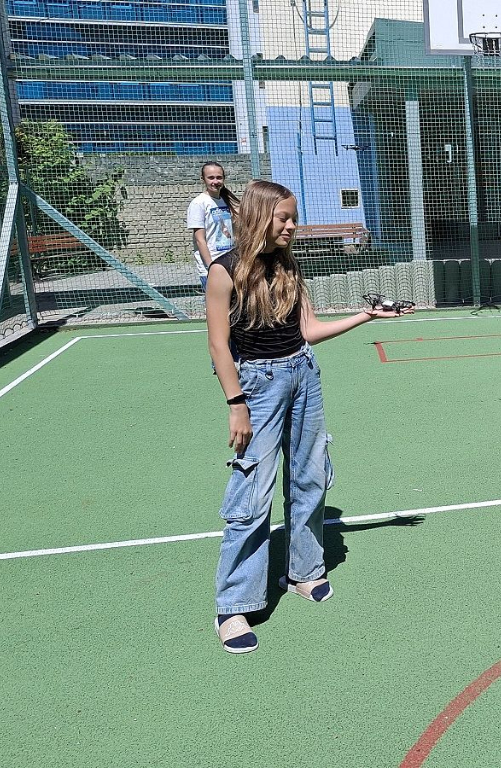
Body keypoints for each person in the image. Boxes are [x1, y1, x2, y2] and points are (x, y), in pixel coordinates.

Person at [207, 179, 411, 654]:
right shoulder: (224, 271)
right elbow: (218, 344)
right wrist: (236, 404)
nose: (292, 226)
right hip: (257, 385)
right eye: (284, 218)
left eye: (293, 218)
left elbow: (309, 330)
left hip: (303, 374)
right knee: (252, 493)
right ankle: (233, 606)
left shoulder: (288, 266)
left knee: (311, 477)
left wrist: (367, 316)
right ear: (260, 216)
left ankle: (303, 571)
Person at [187, 161, 239, 291]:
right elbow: (200, 240)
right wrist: (211, 266)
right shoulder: (199, 203)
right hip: (212, 267)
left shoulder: (226, 201)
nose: (215, 181)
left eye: (219, 177)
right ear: (203, 179)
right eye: (211, 178)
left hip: (230, 263)